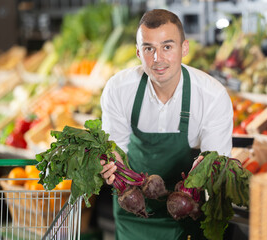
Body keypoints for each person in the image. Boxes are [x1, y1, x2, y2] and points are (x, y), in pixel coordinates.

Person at [100, 9, 233, 240]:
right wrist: (112, 166)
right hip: (134, 213)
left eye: (167, 47)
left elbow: (216, 163)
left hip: (185, 213)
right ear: (138, 52)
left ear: (185, 49)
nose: (157, 59)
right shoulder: (118, 89)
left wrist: (207, 169)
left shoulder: (212, 96)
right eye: (148, 48)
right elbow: (115, 147)